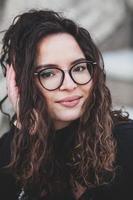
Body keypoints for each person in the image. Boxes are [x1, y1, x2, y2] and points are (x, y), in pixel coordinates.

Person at [0, 9, 133, 200]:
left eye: (78, 68)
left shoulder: (127, 142)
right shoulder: (8, 152)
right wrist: (27, 131)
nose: (70, 85)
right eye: (48, 73)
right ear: (21, 84)